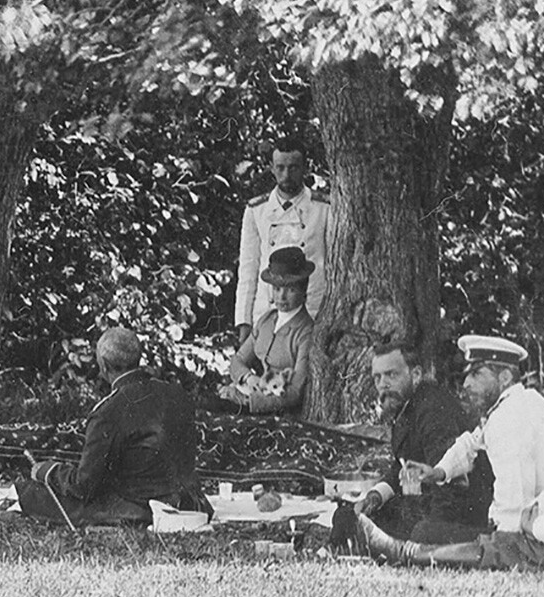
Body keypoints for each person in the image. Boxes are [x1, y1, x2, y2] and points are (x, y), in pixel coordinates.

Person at [358, 325, 544, 574]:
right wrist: (440, 471)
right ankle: (409, 550)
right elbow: (471, 442)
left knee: (506, 548)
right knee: (501, 544)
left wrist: (535, 527)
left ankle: (406, 553)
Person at [19, 327, 204, 527]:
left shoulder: (109, 411)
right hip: (188, 503)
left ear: (103, 366)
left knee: (30, 493)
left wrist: (48, 471)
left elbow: (84, 486)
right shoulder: (176, 394)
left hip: (139, 508)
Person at [332, 339, 490, 547]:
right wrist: (375, 497)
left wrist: (427, 532)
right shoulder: (405, 404)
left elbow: (450, 485)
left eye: (391, 374)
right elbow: (401, 465)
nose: (383, 384)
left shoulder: (433, 409)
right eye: (377, 378)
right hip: (423, 505)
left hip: (459, 515)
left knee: (420, 533)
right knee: (347, 515)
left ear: (415, 375)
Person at [420, 335, 544, 532]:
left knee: (428, 533)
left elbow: (515, 502)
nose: (465, 383)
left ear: (505, 378)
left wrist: (498, 541)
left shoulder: (510, 415)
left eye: (476, 374)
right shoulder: (515, 403)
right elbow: (470, 443)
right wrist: (439, 472)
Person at [235, 136, 330, 344]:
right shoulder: (256, 210)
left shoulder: (324, 209)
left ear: (305, 168)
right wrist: (243, 321)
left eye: (294, 168)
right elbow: (248, 268)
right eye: (280, 167)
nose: (286, 175)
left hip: (312, 314)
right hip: (266, 315)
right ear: (271, 168)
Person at [217, 247, 315, 415]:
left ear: (303, 290)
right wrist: (250, 378)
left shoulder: (305, 331)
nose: (281, 297)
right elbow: (238, 360)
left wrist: (253, 401)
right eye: (277, 289)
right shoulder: (267, 321)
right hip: (255, 397)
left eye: (290, 290)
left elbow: (295, 392)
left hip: (281, 412)